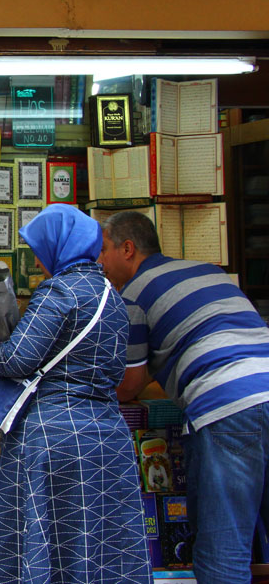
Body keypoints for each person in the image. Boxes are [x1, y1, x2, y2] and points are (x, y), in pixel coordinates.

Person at [0, 204, 150, 584]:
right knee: (97, 547)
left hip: (53, 438)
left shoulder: (59, 290)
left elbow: (18, 359)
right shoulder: (113, 298)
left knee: (42, 544)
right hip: (106, 437)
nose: (36, 259)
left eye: (39, 248)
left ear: (57, 245)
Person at [98, 210, 269, 584]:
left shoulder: (132, 296)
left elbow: (129, 384)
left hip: (228, 406)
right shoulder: (210, 272)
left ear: (128, 249)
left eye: (104, 250)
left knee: (223, 550)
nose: (100, 262)